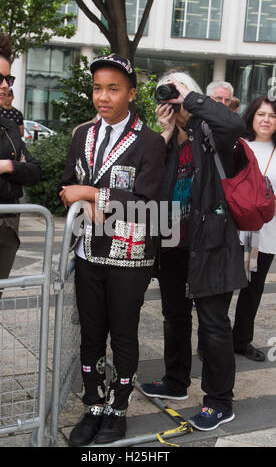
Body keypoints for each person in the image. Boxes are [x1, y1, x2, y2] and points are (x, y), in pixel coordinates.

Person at [59, 54, 166, 446]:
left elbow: (146, 201)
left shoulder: (150, 142)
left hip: (129, 256)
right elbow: (67, 183)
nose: (102, 97)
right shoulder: (81, 135)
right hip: (88, 252)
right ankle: (93, 406)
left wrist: (90, 193)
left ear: (131, 94)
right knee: (90, 334)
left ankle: (118, 409)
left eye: (113, 89)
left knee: (123, 334)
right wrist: (78, 195)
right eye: (97, 88)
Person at [140, 71, 247, 431]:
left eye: (176, 90)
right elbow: (147, 176)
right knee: (175, 317)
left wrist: (193, 101)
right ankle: (175, 381)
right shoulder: (167, 141)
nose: (171, 97)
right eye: (167, 90)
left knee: (214, 327)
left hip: (212, 244)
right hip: (173, 246)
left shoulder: (212, 132)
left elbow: (236, 123)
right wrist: (166, 131)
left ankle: (220, 402)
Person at [0, 31, 42, 432]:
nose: (4, 85)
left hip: (7, 231)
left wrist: (8, 170)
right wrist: (11, 180)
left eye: (8, 79)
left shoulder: (10, 125)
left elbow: (34, 170)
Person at [232, 95, 276, 362]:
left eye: (272, 116)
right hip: (235, 230)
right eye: (261, 114)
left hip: (266, 233)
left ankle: (241, 340)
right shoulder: (239, 146)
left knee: (253, 289)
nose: (266, 120)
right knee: (223, 288)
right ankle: (212, 341)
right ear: (252, 116)